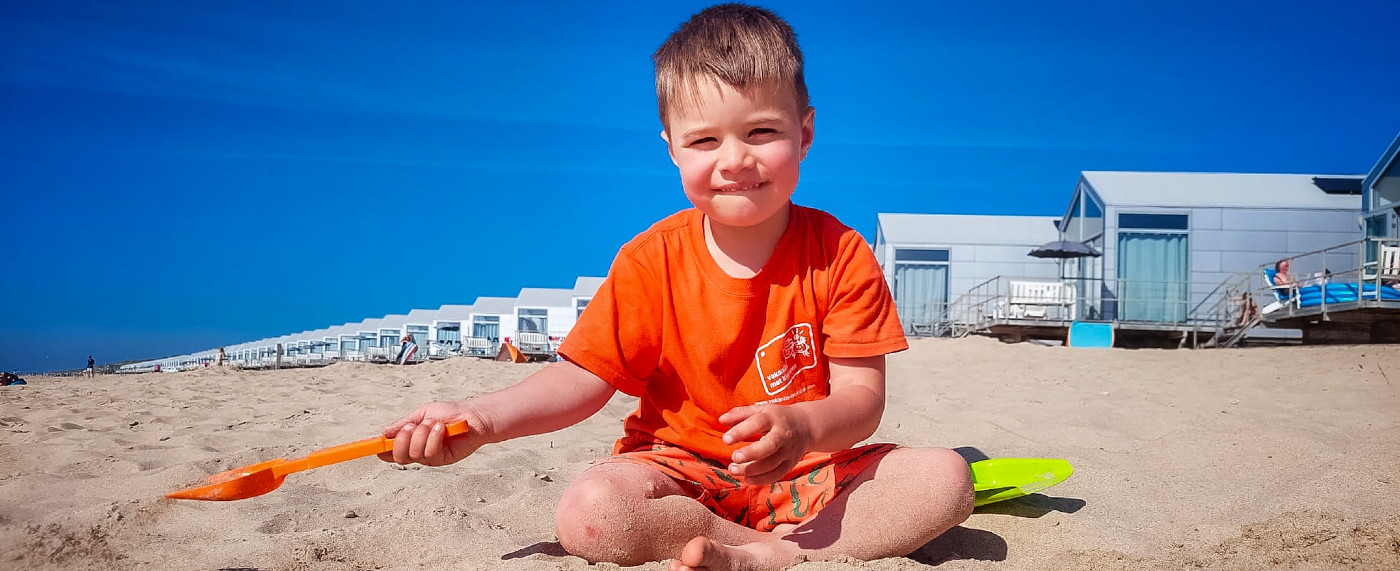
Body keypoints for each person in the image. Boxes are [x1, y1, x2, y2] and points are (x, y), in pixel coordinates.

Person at [378, 5, 973, 570]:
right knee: (590, 513)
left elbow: (861, 401)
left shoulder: (840, 253)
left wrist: (802, 427)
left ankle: (784, 553)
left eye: (762, 131)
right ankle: (747, 547)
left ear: (805, 132)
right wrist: (482, 419)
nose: (735, 159)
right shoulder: (650, 260)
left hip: (808, 470)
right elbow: (583, 379)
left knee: (945, 477)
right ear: (671, 149)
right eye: (705, 141)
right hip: (681, 471)